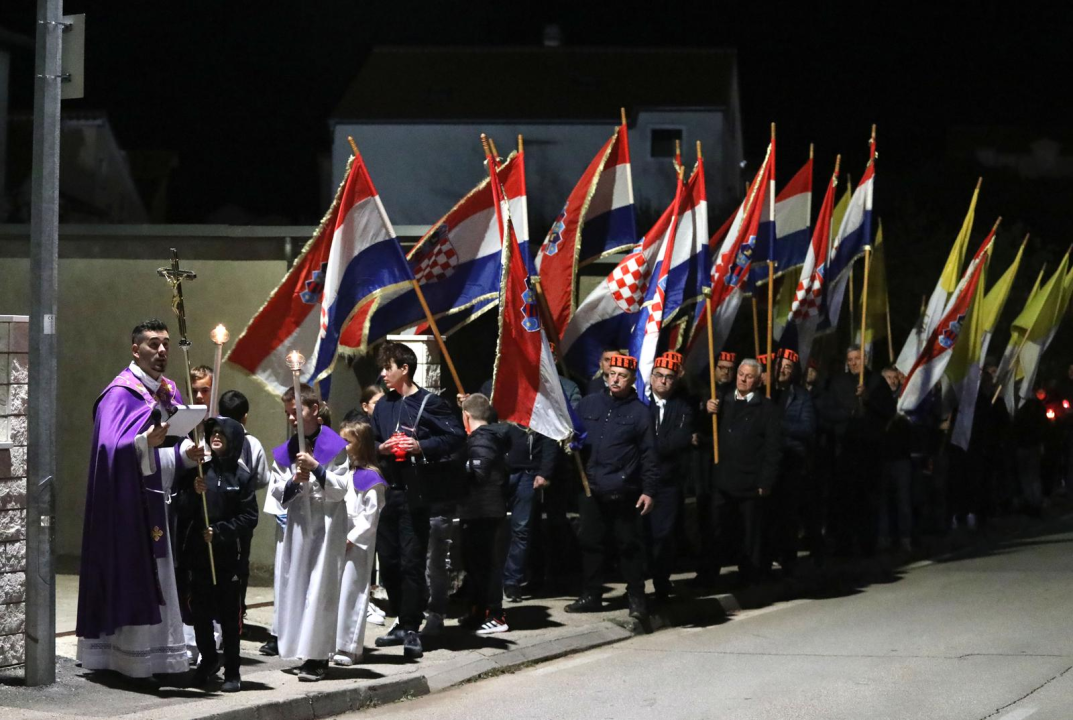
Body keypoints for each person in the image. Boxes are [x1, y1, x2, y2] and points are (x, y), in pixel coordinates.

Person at [76, 319, 202, 678]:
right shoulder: (120, 393)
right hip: (127, 506)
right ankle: (127, 660)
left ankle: (159, 657)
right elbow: (109, 449)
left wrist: (185, 454)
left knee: (163, 575)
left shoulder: (168, 392)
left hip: (160, 500)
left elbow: (170, 451)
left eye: (165, 344)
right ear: (135, 349)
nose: (161, 351)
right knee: (133, 572)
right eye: (152, 344)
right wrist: (145, 442)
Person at [370, 341, 465, 660]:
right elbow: (372, 440)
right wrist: (381, 449)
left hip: (416, 491)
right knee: (389, 560)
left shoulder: (430, 403)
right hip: (387, 490)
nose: (383, 373)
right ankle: (400, 617)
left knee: (412, 560)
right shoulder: (383, 405)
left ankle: (411, 625)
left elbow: (456, 438)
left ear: (404, 369)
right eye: (383, 368)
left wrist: (419, 445)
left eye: (388, 367)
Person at [269, 382, 351, 681]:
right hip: (300, 526)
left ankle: (318, 658)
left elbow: (341, 489)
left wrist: (317, 467)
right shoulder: (286, 450)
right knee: (299, 585)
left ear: (314, 410)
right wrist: (293, 480)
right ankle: (301, 649)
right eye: (288, 413)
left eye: (296, 411)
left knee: (320, 589)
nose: (291, 418)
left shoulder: (336, 446)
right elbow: (278, 491)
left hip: (327, 525)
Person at [567, 354, 658, 620]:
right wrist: (571, 442)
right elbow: (573, 431)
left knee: (628, 545)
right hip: (591, 487)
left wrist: (649, 490)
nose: (615, 379)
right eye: (612, 374)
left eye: (622, 375)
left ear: (632, 380)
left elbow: (649, 455)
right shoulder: (589, 404)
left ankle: (637, 597)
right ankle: (592, 595)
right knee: (591, 543)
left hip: (623, 489)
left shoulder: (639, 412)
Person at [174, 417, 258, 692]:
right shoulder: (200, 472)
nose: (216, 437)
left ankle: (232, 670)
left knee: (229, 615)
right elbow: (182, 509)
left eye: (222, 433)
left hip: (227, 558)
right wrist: (192, 493)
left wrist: (220, 531)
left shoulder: (242, 477)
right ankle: (208, 660)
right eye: (213, 433)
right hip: (199, 555)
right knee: (199, 613)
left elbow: (249, 517)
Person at [816, 346, 896, 557]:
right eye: (850, 359)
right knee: (845, 502)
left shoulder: (877, 382)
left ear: (865, 359)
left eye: (857, 359)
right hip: (845, 452)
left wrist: (868, 397)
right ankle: (844, 547)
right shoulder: (838, 382)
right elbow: (825, 411)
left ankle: (867, 546)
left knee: (868, 502)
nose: (853, 363)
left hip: (870, 452)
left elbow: (889, 410)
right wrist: (847, 415)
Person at [710, 359, 782, 583]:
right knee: (717, 529)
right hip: (723, 479)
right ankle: (709, 574)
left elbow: (773, 449)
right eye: (741, 374)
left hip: (750, 481)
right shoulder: (722, 401)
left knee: (750, 532)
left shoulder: (766, 408)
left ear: (759, 380)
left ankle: (750, 576)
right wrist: (707, 410)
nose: (742, 378)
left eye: (749, 376)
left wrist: (765, 481)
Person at [333, 420, 387, 666]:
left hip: (356, 544)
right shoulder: (343, 472)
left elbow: (370, 518)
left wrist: (351, 539)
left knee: (352, 594)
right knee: (335, 595)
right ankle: (333, 643)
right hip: (338, 538)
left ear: (361, 445)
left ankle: (350, 647)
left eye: (348, 441)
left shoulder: (371, 478)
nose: (342, 445)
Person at [217, 390, 271, 636]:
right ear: (246, 417)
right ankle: (236, 615)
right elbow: (262, 477)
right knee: (239, 565)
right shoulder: (253, 444)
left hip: (215, 512)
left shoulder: (211, 438)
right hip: (241, 514)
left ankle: (214, 615)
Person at [458, 394, 511, 633]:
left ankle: (496, 615)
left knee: (487, 565)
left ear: (466, 416)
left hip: (485, 511)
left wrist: (460, 468)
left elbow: (478, 473)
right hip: (481, 510)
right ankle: (478, 610)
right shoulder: (490, 436)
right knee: (476, 564)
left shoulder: (482, 439)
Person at [645, 355, 694, 602]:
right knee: (639, 536)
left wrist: (650, 446)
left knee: (663, 536)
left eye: (669, 377)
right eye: (659, 375)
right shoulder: (641, 403)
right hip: (641, 481)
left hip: (667, 482)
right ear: (651, 377)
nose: (663, 381)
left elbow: (679, 440)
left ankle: (661, 584)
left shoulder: (682, 407)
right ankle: (636, 587)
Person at [768, 349, 816, 572]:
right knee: (768, 513)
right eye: (781, 365)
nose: (783, 370)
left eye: (788, 367)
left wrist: (779, 426)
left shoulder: (801, 396)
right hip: (767, 461)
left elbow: (807, 428)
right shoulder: (766, 392)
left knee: (788, 512)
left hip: (791, 460)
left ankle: (788, 559)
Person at [691, 350, 736, 586]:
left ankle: (717, 566)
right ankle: (703, 568)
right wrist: (703, 413)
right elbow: (693, 424)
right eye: (722, 368)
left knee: (721, 517)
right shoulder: (703, 391)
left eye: (730, 369)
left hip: (725, 463)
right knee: (703, 515)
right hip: (704, 463)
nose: (726, 373)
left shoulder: (735, 394)